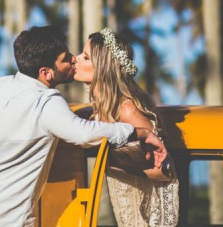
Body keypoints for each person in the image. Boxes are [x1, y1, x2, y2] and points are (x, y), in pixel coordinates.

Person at [0, 26, 167, 227]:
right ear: (46, 73)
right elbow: (83, 134)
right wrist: (138, 132)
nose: (73, 60)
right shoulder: (46, 102)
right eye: (66, 58)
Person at [74, 27, 179, 227]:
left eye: (86, 57)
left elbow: (166, 172)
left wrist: (109, 163)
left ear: (103, 68)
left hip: (145, 219)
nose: (76, 58)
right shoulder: (98, 111)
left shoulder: (127, 110)